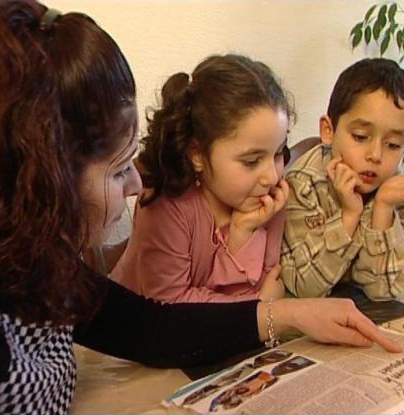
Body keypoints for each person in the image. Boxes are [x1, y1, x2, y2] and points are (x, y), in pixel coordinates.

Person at [0, 1, 402, 414]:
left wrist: (292, 313)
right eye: (116, 170)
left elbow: (151, 329)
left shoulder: (39, 267)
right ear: (40, 180)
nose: (135, 183)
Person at [110, 54, 291, 303]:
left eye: (280, 152)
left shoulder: (269, 197)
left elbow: (269, 280)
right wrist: (258, 306)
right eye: (251, 161)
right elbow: (169, 306)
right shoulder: (166, 205)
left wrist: (241, 233)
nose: (272, 176)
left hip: (237, 338)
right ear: (197, 155)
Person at [281, 58, 404, 301]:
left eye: (393, 144)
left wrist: (383, 208)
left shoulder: (395, 191)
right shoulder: (303, 185)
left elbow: (384, 291)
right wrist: (348, 216)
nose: (375, 155)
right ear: (328, 131)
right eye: (360, 136)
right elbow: (303, 288)